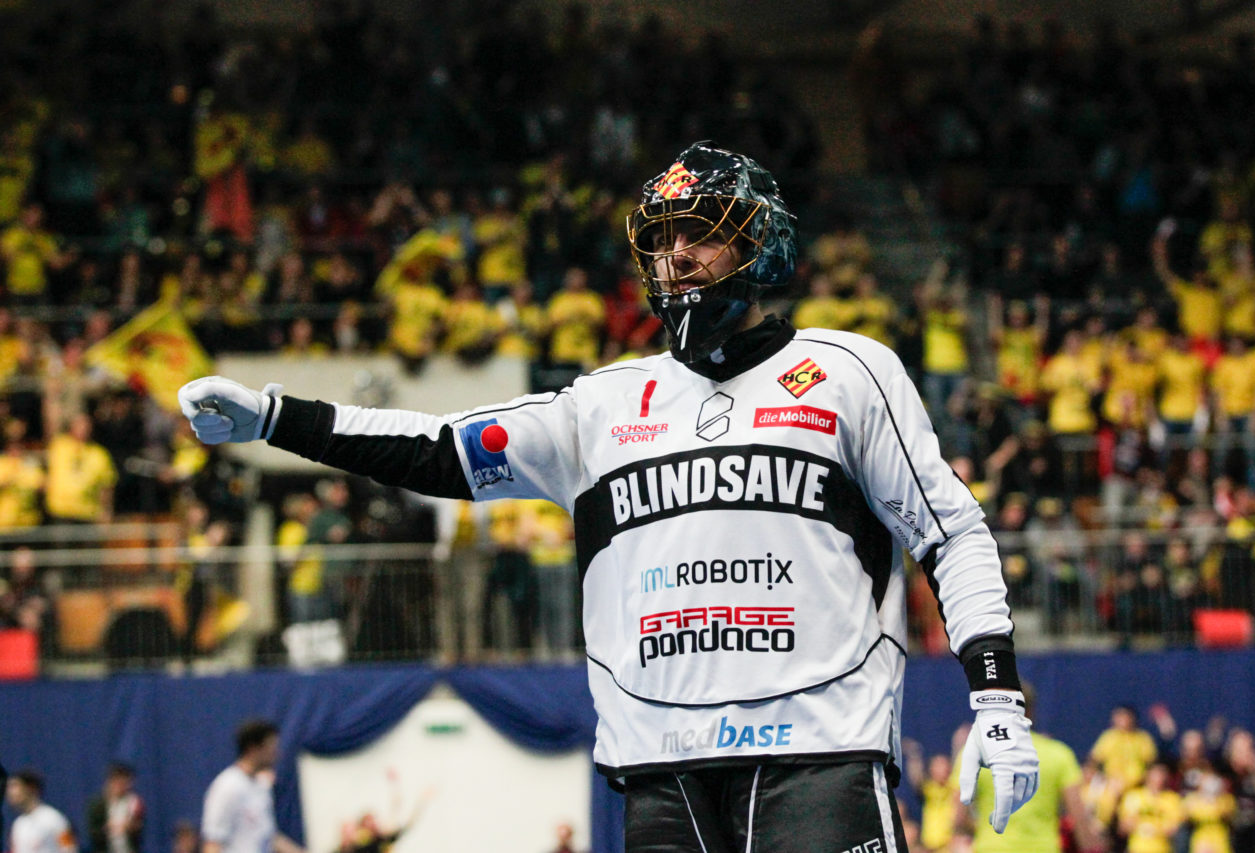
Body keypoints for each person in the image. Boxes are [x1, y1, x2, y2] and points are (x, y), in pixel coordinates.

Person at [179, 141, 1038, 852]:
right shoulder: (600, 405)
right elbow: (438, 449)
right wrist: (275, 417)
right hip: (660, 776)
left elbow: (951, 531)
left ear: (760, 245)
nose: (678, 255)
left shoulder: (849, 371)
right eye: (663, 238)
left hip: (821, 757)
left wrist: (995, 694)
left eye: (702, 233)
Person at [958, 683, 1103, 853]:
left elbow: (958, 819)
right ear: (1029, 711)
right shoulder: (1059, 755)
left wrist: (987, 830)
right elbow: (1079, 818)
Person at [201, 720, 307, 853]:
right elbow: (212, 844)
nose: (277, 753)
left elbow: (268, 836)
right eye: (271, 747)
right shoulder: (227, 787)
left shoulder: (262, 785)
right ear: (253, 749)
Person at [6, 768, 76, 853]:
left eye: (15, 786)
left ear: (31, 788)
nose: (10, 792)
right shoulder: (18, 824)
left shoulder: (54, 819)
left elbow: (69, 848)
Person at [85, 762, 145, 853]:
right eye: (118, 782)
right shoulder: (97, 805)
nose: (121, 786)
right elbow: (92, 832)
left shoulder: (134, 803)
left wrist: (129, 827)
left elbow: (139, 828)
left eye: (125, 782)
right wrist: (108, 829)